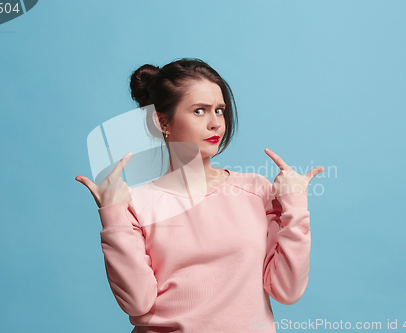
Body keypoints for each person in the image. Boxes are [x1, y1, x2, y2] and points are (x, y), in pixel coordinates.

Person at [75, 58, 324, 333]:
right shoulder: (135, 204)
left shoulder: (256, 190)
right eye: (199, 111)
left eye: (219, 110)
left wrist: (296, 207)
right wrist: (114, 217)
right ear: (161, 121)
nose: (215, 123)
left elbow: (287, 291)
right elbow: (137, 303)